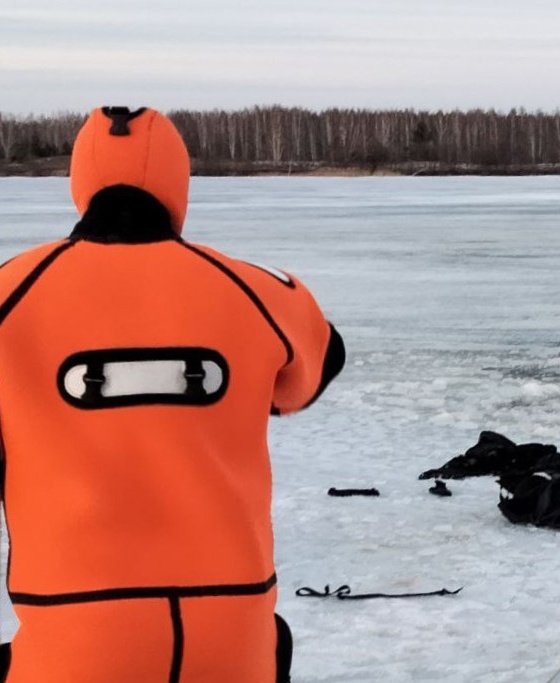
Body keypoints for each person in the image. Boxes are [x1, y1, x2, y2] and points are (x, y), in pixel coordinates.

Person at [0, 106, 344, 683]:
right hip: (234, 624)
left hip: (76, 628)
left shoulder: (13, 292)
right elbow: (310, 375)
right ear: (177, 184)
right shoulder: (253, 287)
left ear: (80, 183)